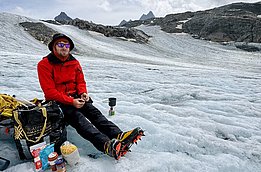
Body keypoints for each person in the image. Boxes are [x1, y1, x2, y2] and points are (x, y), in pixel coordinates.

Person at [37, 33, 144, 160]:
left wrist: (83, 93)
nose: (64, 47)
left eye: (67, 45)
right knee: (80, 121)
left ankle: (119, 136)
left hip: (76, 97)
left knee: (95, 114)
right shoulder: (44, 64)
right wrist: (71, 101)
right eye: (60, 44)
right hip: (59, 102)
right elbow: (50, 92)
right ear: (53, 47)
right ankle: (106, 145)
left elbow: (80, 82)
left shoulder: (74, 63)